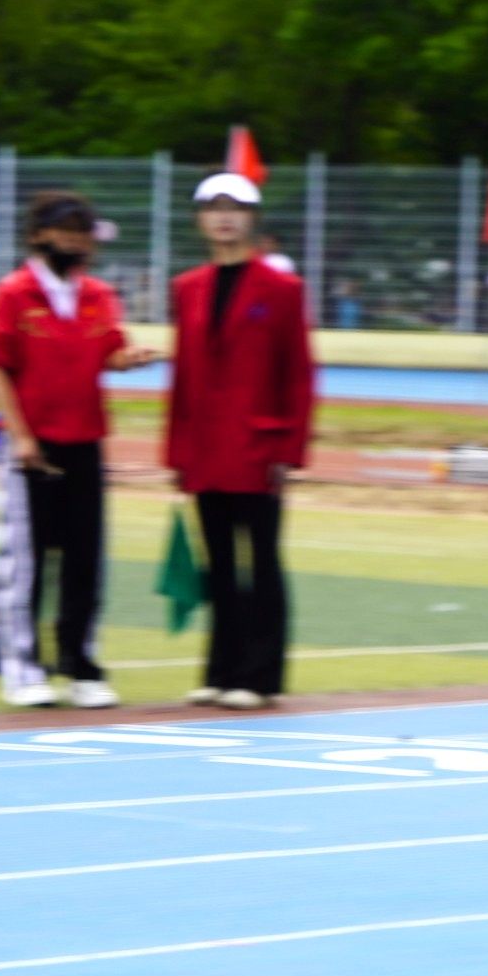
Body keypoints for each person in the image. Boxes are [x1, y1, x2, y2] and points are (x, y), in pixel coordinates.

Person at [0, 192, 159, 708]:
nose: (79, 241)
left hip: (86, 440)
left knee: (86, 557)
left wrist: (129, 358)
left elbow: (109, 352)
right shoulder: (13, 294)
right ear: (39, 235)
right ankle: (21, 666)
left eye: (85, 232)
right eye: (68, 230)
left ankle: (81, 662)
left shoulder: (98, 294)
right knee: (25, 562)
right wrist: (20, 436)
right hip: (30, 445)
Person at [166, 172, 317, 710]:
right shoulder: (187, 288)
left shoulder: (282, 290)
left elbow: (298, 374)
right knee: (221, 565)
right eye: (213, 207)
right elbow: (183, 374)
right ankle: (221, 668)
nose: (224, 217)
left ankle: (260, 675)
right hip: (206, 450)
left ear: (252, 218)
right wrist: (176, 453)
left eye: (235, 208)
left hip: (258, 449)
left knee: (263, 562)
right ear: (200, 219)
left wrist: (289, 451)